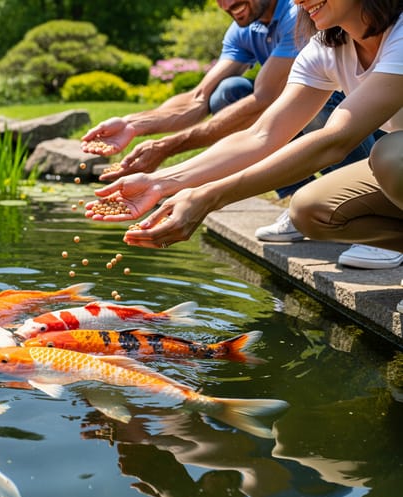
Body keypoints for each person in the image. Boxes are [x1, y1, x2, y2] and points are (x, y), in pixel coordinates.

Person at [85, 1, 402, 310]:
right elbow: (262, 134)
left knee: (392, 154)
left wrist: (210, 196)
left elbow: (336, 140)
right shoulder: (328, 45)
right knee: (311, 210)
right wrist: (160, 183)